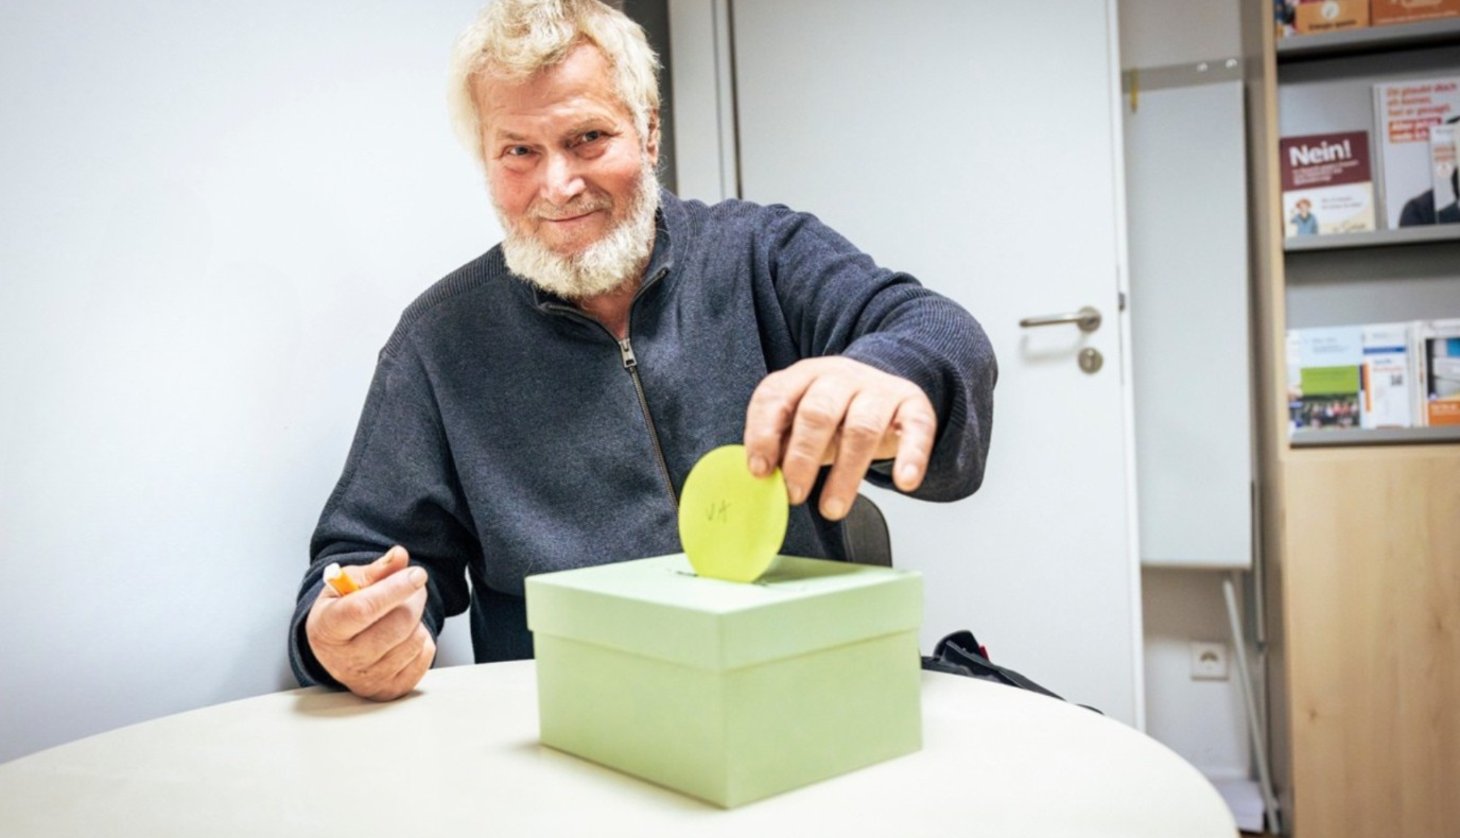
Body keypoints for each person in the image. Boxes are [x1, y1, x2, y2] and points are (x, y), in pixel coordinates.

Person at [289, 0, 996, 701]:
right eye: (518, 152)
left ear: (650, 132)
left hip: (799, 691)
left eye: (589, 137)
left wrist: (887, 375)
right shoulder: (438, 342)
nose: (557, 186)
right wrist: (341, 632)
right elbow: (359, 558)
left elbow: (933, 329)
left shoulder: (762, 254)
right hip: (579, 729)